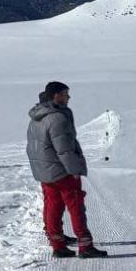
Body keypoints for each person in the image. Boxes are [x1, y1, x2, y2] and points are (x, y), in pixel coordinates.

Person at [26, 82, 106, 258]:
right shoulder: (58, 118)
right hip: (62, 171)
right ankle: (85, 246)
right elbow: (64, 149)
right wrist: (74, 169)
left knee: (52, 205)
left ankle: (57, 244)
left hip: (45, 171)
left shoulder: (36, 117)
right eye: (65, 94)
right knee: (75, 205)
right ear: (55, 96)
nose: (68, 97)